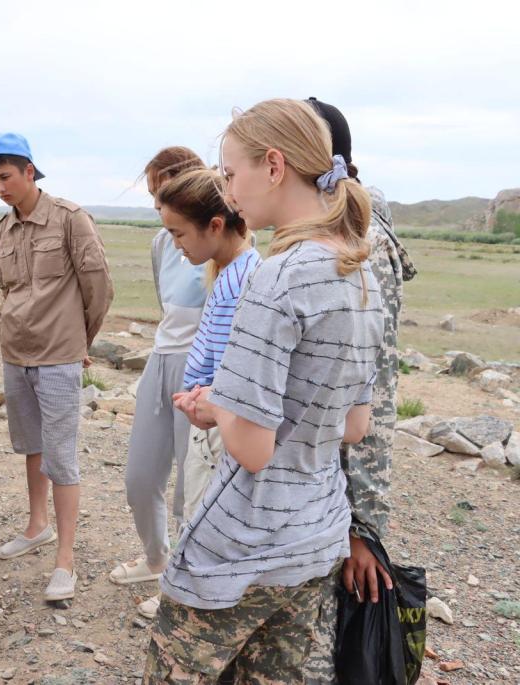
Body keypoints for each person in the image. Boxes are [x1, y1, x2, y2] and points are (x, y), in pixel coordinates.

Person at [145, 98, 383, 683]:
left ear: (273, 166)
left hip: (241, 546)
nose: (227, 192)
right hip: (315, 538)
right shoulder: (361, 271)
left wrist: (216, 407)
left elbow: (252, 449)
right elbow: (355, 426)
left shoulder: (276, 276)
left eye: (230, 173)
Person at [301, 97, 418, 684]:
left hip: (339, 502)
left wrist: (363, 527)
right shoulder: (338, 229)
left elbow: (376, 389)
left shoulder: (359, 245)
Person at [127, 163, 262, 621]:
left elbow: (239, 361)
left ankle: (188, 603)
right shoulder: (224, 270)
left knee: (202, 510)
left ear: (216, 225)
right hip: (203, 409)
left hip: (216, 421)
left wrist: (208, 401)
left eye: (180, 234)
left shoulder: (243, 276)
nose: (175, 245)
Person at [0, 132, 113, 602]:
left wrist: (81, 340)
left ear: (30, 172)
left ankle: (66, 561)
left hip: (59, 356)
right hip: (15, 354)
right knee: (31, 446)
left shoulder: (70, 220)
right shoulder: (0, 230)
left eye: (6, 177)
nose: (0, 187)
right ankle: (37, 526)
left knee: (61, 457)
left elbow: (98, 288)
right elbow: (8, 293)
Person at [108, 148, 207, 609]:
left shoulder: (219, 238)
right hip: (161, 359)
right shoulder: (160, 243)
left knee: (192, 481)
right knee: (140, 476)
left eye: (160, 193)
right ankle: (156, 559)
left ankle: (184, 586)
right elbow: (166, 307)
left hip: (202, 365)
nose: (154, 205)